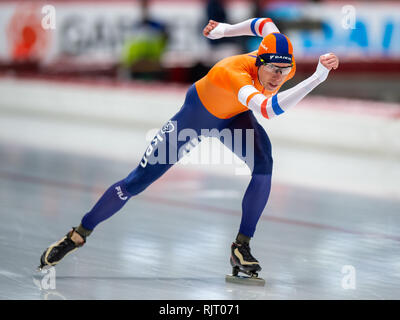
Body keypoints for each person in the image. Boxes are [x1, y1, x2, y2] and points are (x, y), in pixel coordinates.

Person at [39, 17, 339, 281]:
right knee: (135, 182)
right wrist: (316, 78)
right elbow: (269, 110)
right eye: (273, 70)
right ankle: (78, 235)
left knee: (264, 164)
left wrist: (225, 31)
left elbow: (263, 24)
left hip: (232, 116)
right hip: (195, 117)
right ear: (259, 62)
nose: (278, 77)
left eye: (285, 71)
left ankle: (241, 246)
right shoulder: (234, 74)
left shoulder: (282, 58)